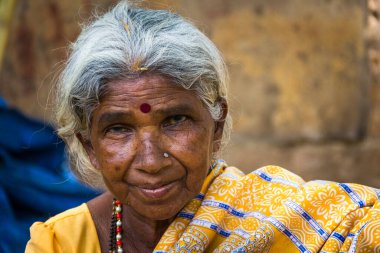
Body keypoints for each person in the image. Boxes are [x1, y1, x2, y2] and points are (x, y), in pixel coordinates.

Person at [25, 1, 380, 252]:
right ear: (90, 146)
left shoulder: (285, 220)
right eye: (119, 128)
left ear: (217, 126)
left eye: (175, 120)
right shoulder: (61, 244)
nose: (150, 161)